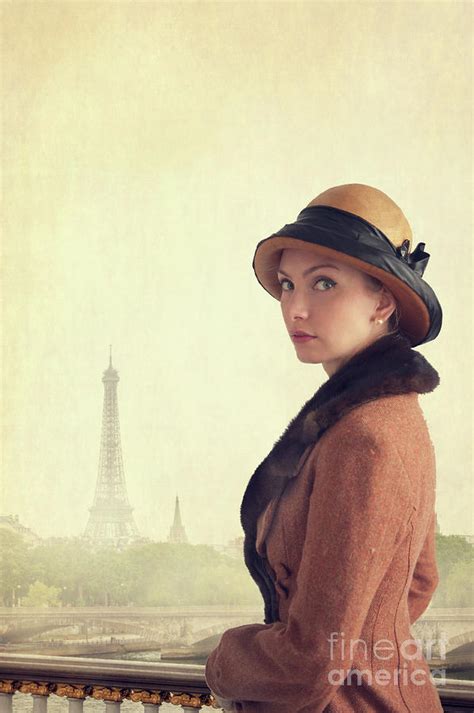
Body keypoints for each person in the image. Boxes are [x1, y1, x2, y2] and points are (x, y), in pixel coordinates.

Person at [205, 183, 444, 713]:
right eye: (289, 285)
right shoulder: (393, 419)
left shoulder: (362, 439)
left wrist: (223, 658)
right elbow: (418, 580)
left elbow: (309, 662)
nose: (297, 307)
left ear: (383, 300)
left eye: (324, 283)